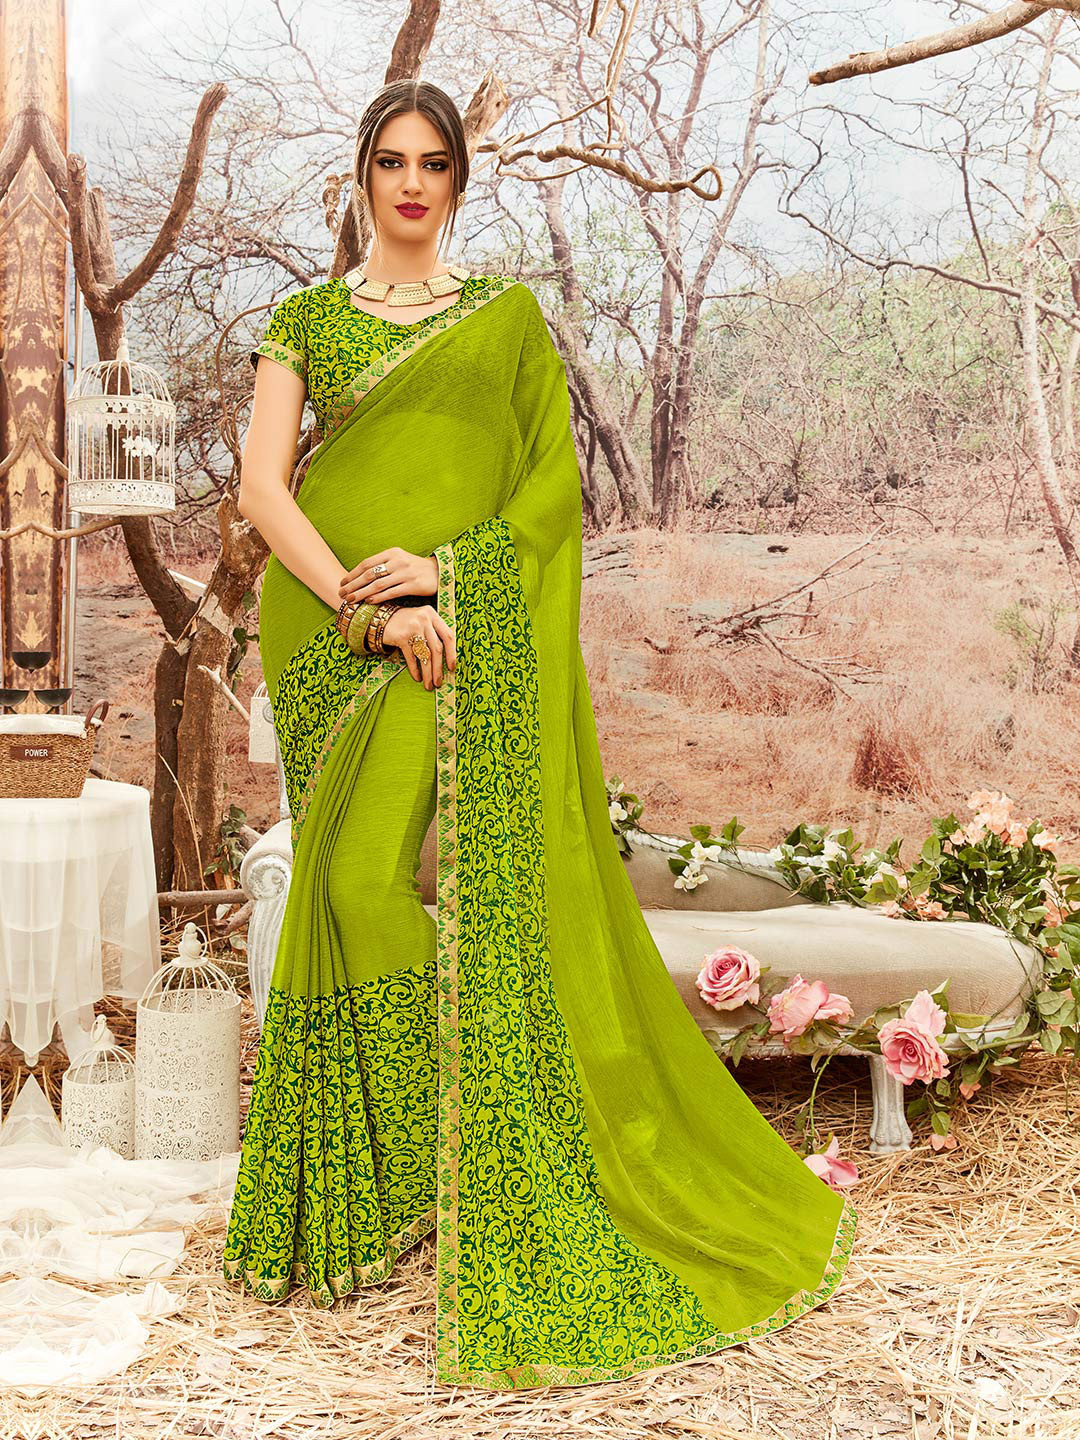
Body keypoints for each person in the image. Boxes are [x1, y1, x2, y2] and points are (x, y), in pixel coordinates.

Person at [224, 77, 856, 1392]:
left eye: (433, 163)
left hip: (450, 622)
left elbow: (547, 499)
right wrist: (362, 605)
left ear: (459, 181)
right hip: (327, 630)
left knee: (372, 885)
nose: (411, 183)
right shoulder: (308, 318)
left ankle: (469, 1142)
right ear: (361, 176)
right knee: (338, 886)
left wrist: (443, 579)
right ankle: (392, 1174)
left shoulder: (505, 319)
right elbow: (261, 490)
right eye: (391, 161)